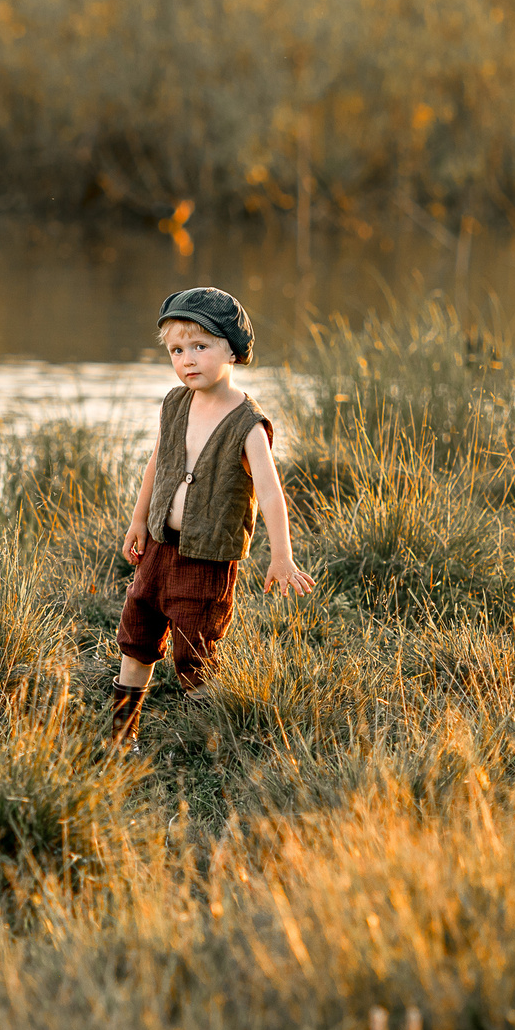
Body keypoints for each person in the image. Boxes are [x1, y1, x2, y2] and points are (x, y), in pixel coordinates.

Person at [110, 286, 314, 750]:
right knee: (137, 632)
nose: (188, 359)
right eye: (177, 350)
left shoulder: (248, 424)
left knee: (194, 650)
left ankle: (211, 741)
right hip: (160, 547)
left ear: (233, 350)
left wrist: (281, 556)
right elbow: (158, 460)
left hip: (207, 560)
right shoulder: (175, 403)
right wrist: (139, 520)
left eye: (200, 346)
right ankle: (122, 738)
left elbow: (270, 491)